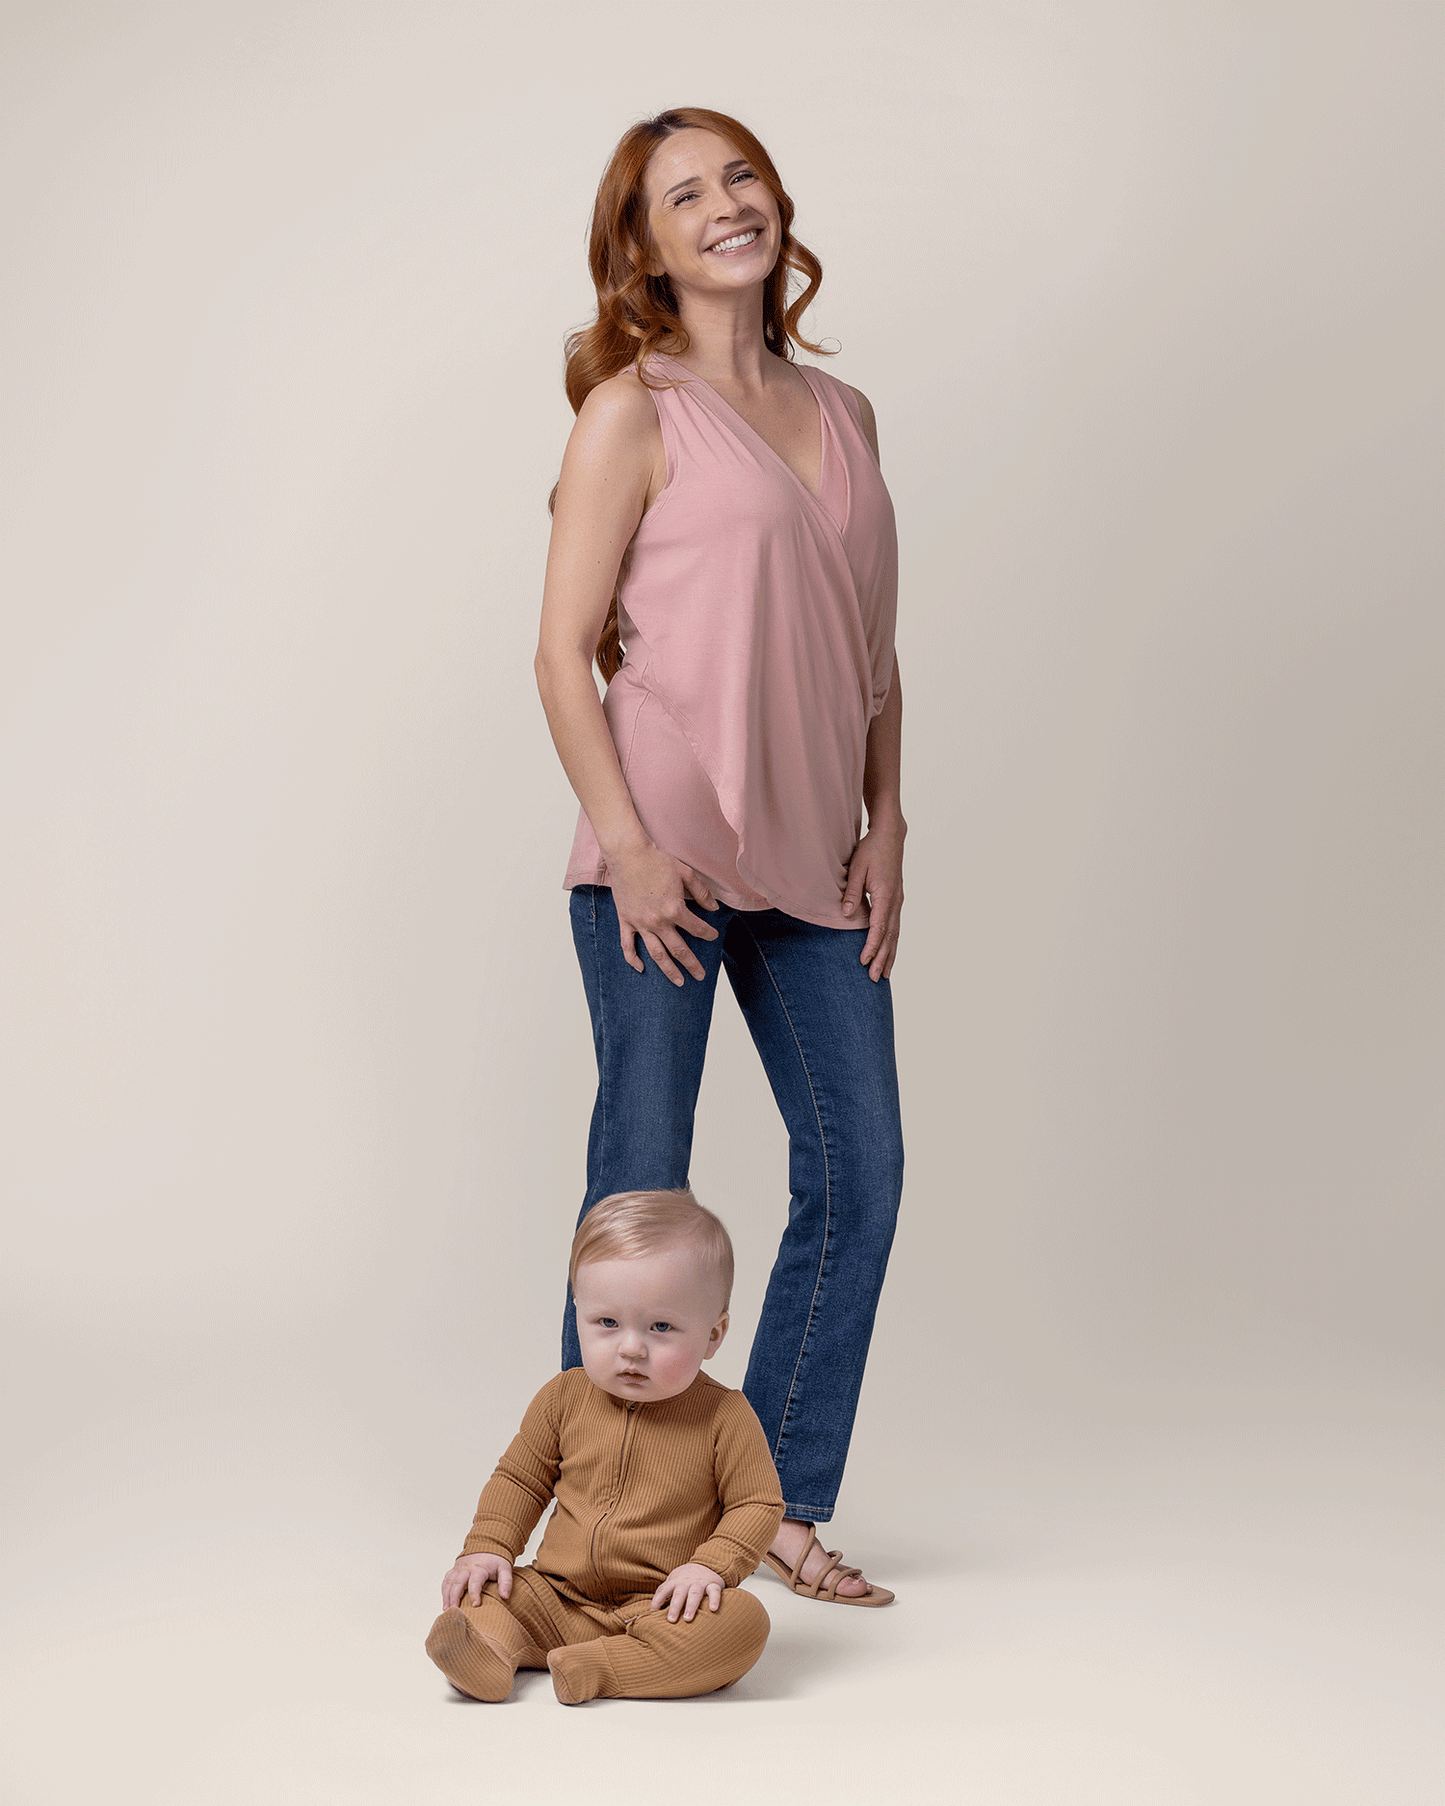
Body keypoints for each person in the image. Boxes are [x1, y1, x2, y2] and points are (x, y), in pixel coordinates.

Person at [534, 107, 904, 1606]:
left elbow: (874, 650)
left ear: (777, 201)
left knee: (859, 1166)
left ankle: (781, 1504)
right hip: (663, 849)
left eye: (739, 174)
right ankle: (589, 1529)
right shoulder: (632, 408)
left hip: (816, 850)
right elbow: (561, 654)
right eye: (684, 195)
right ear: (647, 247)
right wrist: (624, 843)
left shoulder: (852, 412)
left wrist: (893, 824)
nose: (724, 205)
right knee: (640, 1187)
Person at [425, 1190, 783, 1704]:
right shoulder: (563, 1397)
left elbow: (757, 1503)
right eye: (607, 1323)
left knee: (743, 1624)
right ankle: (489, 1651)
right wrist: (487, 1547)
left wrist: (709, 1566)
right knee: (481, 1594)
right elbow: (519, 1480)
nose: (631, 1347)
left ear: (713, 1335)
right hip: (556, 1597)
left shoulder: (724, 1416)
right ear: (579, 1316)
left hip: (662, 1605)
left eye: (661, 1327)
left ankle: (601, 1668)